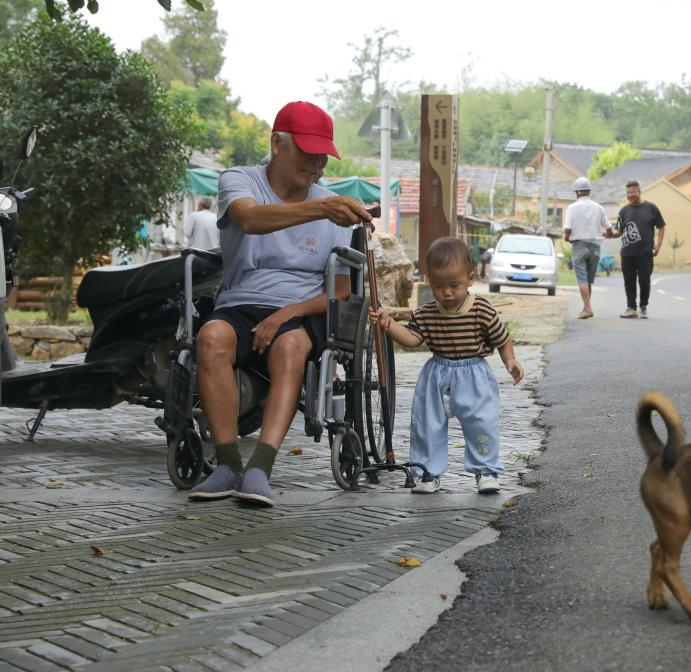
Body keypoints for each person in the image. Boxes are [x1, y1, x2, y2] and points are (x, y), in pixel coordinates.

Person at [188, 100, 373, 507]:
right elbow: (250, 220)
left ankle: (260, 468)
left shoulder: (332, 207)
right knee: (211, 338)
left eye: (323, 155)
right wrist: (321, 209)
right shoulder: (240, 180)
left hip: (301, 308)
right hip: (240, 300)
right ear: (277, 144)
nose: (317, 164)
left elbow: (341, 290)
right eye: (308, 152)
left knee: (290, 346)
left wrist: (288, 313)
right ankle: (226, 463)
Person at [370, 237, 524, 495]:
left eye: (455, 285)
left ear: (471, 279)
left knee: (481, 423)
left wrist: (510, 360)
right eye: (440, 286)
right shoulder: (426, 313)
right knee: (427, 425)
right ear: (429, 281)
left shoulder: (482, 310)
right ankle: (428, 473)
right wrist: (389, 325)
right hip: (436, 375)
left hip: (474, 374)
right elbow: (412, 339)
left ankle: (486, 471)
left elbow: (502, 339)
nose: (447, 293)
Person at [607, 180, 665, 319]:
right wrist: (610, 235)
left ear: (639, 192)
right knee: (629, 281)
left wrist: (658, 245)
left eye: (632, 192)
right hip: (627, 253)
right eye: (628, 193)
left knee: (644, 281)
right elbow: (619, 232)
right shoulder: (623, 211)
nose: (630, 195)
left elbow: (661, 226)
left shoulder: (651, 208)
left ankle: (643, 306)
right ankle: (631, 307)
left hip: (645, 253)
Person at [563, 176, 612, 319]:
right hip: (595, 247)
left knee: (582, 279)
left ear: (577, 192)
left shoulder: (572, 207)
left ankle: (588, 308)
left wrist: (567, 237)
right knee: (589, 280)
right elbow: (608, 227)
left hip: (579, 245)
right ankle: (586, 307)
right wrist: (608, 234)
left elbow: (567, 228)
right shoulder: (599, 207)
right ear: (589, 191)